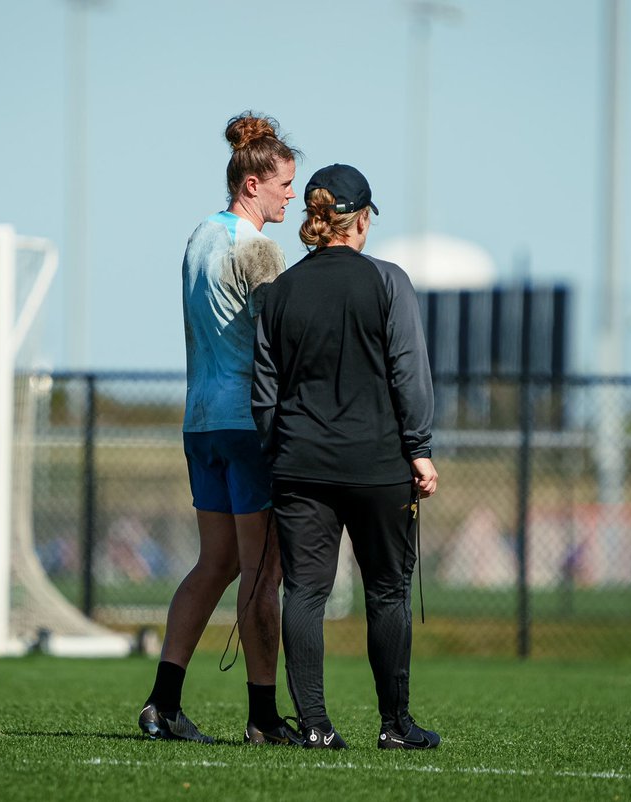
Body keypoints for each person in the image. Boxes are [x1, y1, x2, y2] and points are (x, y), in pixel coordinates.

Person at [252, 164, 441, 750]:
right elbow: (409, 372)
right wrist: (421, 449)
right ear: (359, 220)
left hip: (299, 466)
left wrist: (277, 450)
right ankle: (394, 726)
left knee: (304, 592)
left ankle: (313, 726)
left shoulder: (278, 292)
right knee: (386, 591)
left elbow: (264, 390)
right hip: (379, 465)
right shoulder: (388, 282)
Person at [138, 112, 302, 746]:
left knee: (217, 562)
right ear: (254, 182)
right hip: (246, 424)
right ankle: (263, 717)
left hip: (199, 423)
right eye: (286, 183)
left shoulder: (199, 235)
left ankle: (162, 702)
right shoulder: (259, 247)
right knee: (264, 572)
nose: (293, 194)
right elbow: (279, 339)